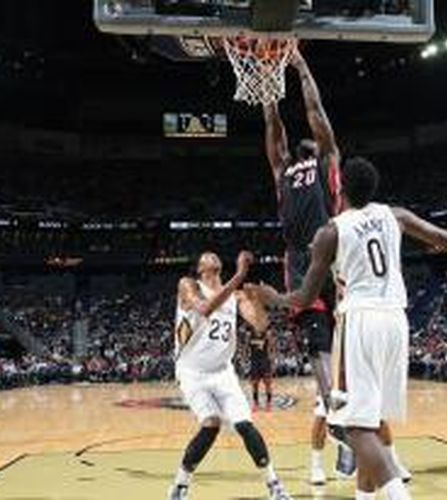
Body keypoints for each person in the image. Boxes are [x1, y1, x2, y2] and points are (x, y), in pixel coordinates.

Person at [250, 157, 447, 499]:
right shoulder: (396, 216)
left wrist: (272, 297)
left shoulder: (330, 231)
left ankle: (397, 495)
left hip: (360, 321)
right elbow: (444, 238)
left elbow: (305, 296)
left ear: (339, 189)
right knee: (373, 420)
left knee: (354, 426)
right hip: (396, 320)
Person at [262, 47, 358, 483]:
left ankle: (339, 415)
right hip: (316, 253)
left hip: (315, 254)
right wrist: (286, 75)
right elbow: (297, 118)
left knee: (326, 347)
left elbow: (285, 123)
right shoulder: (310, 162)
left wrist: (281, 79)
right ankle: (338, 417)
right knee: (325, 345)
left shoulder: (302, 164)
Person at [167, 251, 291, 500]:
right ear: (200, 268)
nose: (211, 256)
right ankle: (180, 485)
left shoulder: (235, 295)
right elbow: (204, 308)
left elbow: (260, 324)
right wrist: (239, 276)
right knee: (211, 424)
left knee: (245, 424)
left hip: (223, 372)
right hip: (192, 371)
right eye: (205, 256)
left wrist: (256, 298)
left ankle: (274, 486)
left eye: (214, 255)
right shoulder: (188, 285)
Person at [249, 328, 275, 411]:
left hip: (265, 361)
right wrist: (244, 358)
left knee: (268, 383)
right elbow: (246, 348)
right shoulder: (250, 334)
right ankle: (256, 403)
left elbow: (272, 348)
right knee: (254, 383)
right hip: (254, 361)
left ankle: (269, 403)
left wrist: (273, 361)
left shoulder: (267, 334)